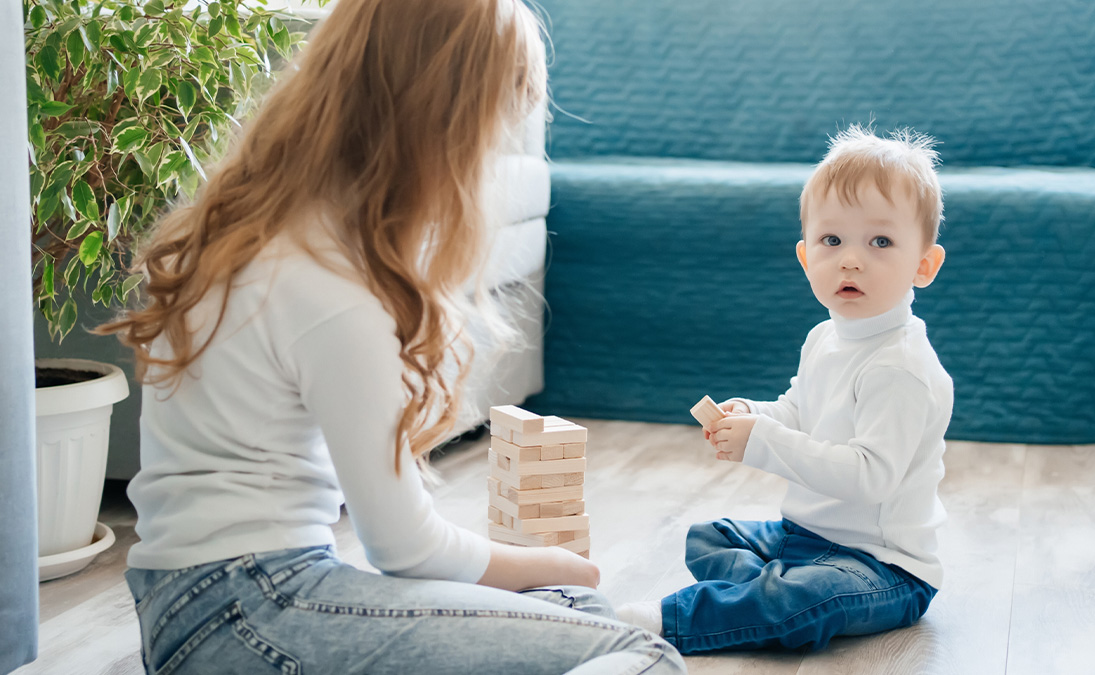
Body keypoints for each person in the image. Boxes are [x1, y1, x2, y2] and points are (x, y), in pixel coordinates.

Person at [98, 1, 685, 672]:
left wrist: (550, 582)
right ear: (440, 124)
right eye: (491, 130)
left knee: (572, 610)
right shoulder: (331, 285)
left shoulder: (265, 227)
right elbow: (404, 546)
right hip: (252, 607)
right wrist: (554, 561)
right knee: (641, 655)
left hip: (195, 602)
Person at [617, 125, 953, 654]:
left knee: (812, 596)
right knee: (710, 535)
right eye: (832, 240)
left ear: (923, 266)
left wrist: (763, 443)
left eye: (880, 242)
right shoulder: (825, 337)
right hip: (803, 538)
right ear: (805, 258)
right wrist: (755, 414)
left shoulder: (900, 368)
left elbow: (869, 477)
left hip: (879, 566)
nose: (850, 259)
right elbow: (799, 412)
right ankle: (763, 593)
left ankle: (674, 619)